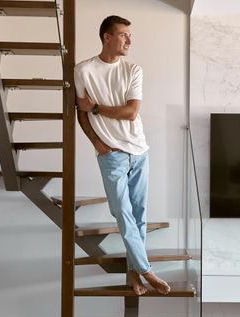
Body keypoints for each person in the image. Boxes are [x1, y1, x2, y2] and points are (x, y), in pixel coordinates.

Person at [74, 15, 170, 296]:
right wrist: (96, 143)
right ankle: (146, 269)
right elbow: (81, 113)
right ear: (107, 37)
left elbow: (130, 112)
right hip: (111, 154)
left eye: (130, 35)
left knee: (138, 215)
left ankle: (135, 274)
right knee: (122, 213)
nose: (130, 40)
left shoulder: (133, 70)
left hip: (139, 151)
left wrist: (96, 108)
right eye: (124, 35)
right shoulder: (84, 70)